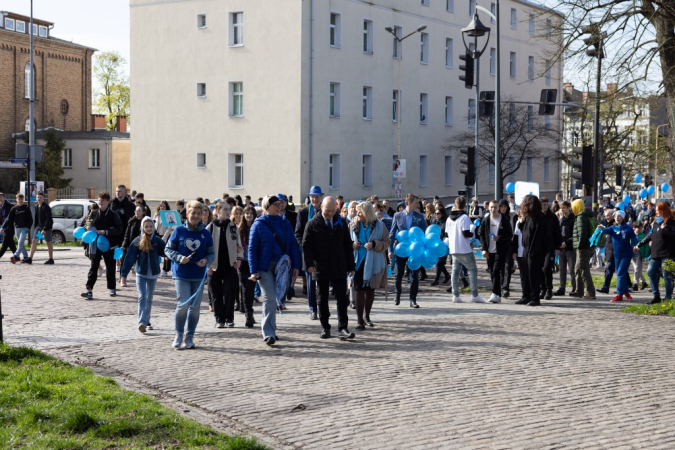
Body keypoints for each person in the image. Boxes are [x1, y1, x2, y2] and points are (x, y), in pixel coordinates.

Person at [248, 195, 301, 346]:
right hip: (264, 267)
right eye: (275, 203)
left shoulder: (284, 223)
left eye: (279, 203)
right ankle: (268, 332)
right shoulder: (258, 224)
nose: (279, 205)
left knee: (276, 297)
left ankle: (272, 328)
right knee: (269, 297)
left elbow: (291, 244)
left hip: (281, 267)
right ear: (267, 206)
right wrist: (253, 271)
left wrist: (296, 266)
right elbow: (252, 249)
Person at [303, 196, 356, 339]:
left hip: (339, 264)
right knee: (322, 298)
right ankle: (325, 327)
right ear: (321, 208)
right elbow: (306, 246)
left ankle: (343, 328)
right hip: (320, 266)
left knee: (342, 298)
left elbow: (347, 245)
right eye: (327, 211)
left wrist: (351, 266)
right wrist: (309, 264)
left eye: (333, 211)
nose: (330, 214)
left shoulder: (341, 222)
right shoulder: (313, 224)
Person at [164, 200, 215, 349]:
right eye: (193, 213)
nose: (196, 215)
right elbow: (168, 249)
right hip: (181, 273)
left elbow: (211, 253)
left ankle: (190, 336)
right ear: (187, 214)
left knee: (195, 307)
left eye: (199, 213)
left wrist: (206, 260)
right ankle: (178, 334)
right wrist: (180, 258)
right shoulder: (179, 231)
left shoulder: (205, 233)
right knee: (183, 304)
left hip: (198, 275)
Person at [120, 217, 166, 333]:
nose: (149, 228)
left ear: (154, 227)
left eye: (151, 226)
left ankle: (147, 320)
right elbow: (130, 258)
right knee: (142, 296)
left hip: (153, 273)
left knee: (149, 298)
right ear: (142, 228)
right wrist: (124, 274)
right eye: (146, 226)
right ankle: (141, 322)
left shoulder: (157, 241)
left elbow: (167, 251)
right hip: (141, 273)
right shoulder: (137, 240)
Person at [349, 201, 389, 329]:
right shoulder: (353, 224)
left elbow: (386, 242)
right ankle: (360, 320)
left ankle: (367, 316)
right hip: (357, 262)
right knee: (358, 289)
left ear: (367, 212)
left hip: (374, 263)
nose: (357, 213)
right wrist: (352, 245)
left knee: (370, 289)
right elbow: (345, 241)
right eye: (356, 211)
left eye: (360, 211)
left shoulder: (380, 225)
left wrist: (374, 244)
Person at [206, 202, 243, 328]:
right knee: (216, 293)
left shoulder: (233, 226)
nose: (228, 212)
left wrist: (239, 259)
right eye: (225, 209)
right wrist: (207, 266)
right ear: (218, 210)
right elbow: (204, 248)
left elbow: (239, 246)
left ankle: (229, 318)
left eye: (229, 209)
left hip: (230, 265)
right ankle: (219, 319)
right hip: (214, 266)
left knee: (230, 292)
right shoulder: (211, 227)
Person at [81, 192, 123, 300]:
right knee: (94, 266)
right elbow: (87, 224)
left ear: (108, 202)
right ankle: (89, 289)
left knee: (110, 266)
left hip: (109, 244)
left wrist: (106, 232)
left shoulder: (113, 214)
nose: (100, 202)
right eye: (99, 200)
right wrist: (91, 228)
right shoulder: (94, 213)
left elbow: (119, 229)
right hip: (95, 243)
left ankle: (112, 288)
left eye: (103, 200)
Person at [389, 193, 427, 307]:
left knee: (414, 275)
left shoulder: (419, 216)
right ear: (409, 203)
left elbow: (424, 234)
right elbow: (391, 234)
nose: (418, 204)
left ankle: (413, 299)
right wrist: (390, 250)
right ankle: (397, 295)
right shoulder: (397, 215)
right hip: (401, 249)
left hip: (414, 251)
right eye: (416, 202)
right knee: (398, 274)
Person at [445, 196, 486, 303]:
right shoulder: (464, 217)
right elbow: (466, 233)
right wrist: (472, 230)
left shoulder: (449, 218)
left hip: (453, 248)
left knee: (455, 271)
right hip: (464, 248)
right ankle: (474, 295)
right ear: (464, 206)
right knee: (472, 270)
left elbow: (446, 233)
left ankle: (455, 295)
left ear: (455, 205)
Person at [515, 195, 551, 306]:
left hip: (534, 251)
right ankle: (526, 296)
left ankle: (535, 297)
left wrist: (533, 251)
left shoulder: (538, 218)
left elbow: (538, 237)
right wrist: (521, 224)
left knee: (533, 275)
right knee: (525, 274)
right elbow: (524, 232)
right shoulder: (528, 217)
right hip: (526, 249)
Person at [637, 201, 675, 304]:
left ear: (664, 211)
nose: (657, 213)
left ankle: (668, 299)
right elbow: (650, 236)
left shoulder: (671, 222)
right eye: (656, 211)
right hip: (656, 253)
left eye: (659, 211)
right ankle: (656, 296)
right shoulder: (656, 223)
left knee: (667, 275)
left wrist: (666, 228)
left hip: (668, 254)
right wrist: (639, 244)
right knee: (650, 272)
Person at [295, 186, 324, 320]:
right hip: (308, 253)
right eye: (312, 196)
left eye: (317, 196)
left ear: (321, 198)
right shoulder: (303, 213)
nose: (314, 199)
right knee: (311, 282)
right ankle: (313, 309)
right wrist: (303, 245)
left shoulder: (325, 212)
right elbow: (298, 233)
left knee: (323, 281)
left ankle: (323, 306)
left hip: (322, 252)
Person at [478, 199, 513, 304]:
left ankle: (494, 293)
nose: (493, 209)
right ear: (488, 208)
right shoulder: (486, 220)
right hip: (489, 251)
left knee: (496, 271)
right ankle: (497, 294)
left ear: (499, 208)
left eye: (495, 207)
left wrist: (499, 238)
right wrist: (484, 249)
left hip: (500, 250)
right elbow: (481, 234)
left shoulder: (504, 219)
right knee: (492, 272)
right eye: (491, 207)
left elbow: (509, 234)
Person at [598, 211, 638, 302]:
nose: (617, 218)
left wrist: (636, 246)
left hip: (626, 255)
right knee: (621, 275)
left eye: (619, 216)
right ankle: (626, 293)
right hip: (617, 255)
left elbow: (634, 239)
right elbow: (605, 231)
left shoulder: (628, 229)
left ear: (623, 218)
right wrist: (600, 228)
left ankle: (619, 294)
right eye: (616, 216)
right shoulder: (613, 228)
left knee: (620, 274)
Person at [569, 199, 597, 299]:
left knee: (584, 270)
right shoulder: (587, 215)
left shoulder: (581, 217)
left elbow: (582, 234)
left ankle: (590, 292)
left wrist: (580, 246)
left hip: (583, 248)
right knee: (578, 269)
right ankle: (579, 291)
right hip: (587, 246)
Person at [238, 205, 258, 327]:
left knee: (251, 288)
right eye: (247, 213)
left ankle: (249, 311)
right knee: (245, 288)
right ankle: (248, 314)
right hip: (243, 262)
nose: (249, 215)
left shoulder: (257, 227)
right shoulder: (240, 229)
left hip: (254, 262)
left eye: (251, 213)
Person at [539, 197, 562, 300]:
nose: (544, 206)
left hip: (550, 247)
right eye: (543, 205)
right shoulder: (538, 216)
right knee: (540, 269)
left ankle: (549, 289)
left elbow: (557, 232)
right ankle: (542, 288)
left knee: (547, 267)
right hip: (539, 247)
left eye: (546, 204)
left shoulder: (552, 217)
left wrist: (557, 247)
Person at [555, 200, 576, 296]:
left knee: (572, 269)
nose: (562, 210)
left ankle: (574, 288)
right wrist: (558, 244)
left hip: (570, 248)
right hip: (562, 247)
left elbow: (575, 234)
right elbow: (558, 233)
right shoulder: (561, 219)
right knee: (562, 269)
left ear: (569, 208)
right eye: (561, 208)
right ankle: (562, 288)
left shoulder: (573, 219)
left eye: (564, 208)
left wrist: (567, 243)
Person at [26, 191, 54, 264]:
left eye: (40, 197)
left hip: (47, 227)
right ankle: (30, 258)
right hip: (39, 227)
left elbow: (49, 219)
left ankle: (51, 259)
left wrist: (45, 229)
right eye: (37, 197)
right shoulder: (36, 206)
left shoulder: (46, 207)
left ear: (43, 198)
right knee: (34, 241)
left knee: (48, 242)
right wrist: (36, 226)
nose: (39, 199)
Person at [7, 194, 32, 263]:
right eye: (19, 199)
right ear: (16, 199)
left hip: (24, 228)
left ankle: (15, 256)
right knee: (21, 244)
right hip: (17, 228)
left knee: (20, 242)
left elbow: (30, 219)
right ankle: (26, 256)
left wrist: (28, 227)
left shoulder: (26, 208)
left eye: (21, 199)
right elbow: (9, 219)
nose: (20, 201)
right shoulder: (14, 208)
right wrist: (4, 227)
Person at [596, 209, 617, 294]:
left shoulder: (615, 224)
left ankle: (606, 287)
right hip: (608, 249)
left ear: (613, 215)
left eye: (608, 215)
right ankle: (627, 286)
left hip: (614, 249)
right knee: (610, 269)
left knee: (609, 268)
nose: (606, 217)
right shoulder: (607, 223)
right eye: (605, 216)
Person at [431, 205, 451, 286]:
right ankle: (447, 275)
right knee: (439, 263)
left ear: (442, 214)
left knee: (440, 263)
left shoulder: (446, 223)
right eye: (435, 213)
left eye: (438, 213)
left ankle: (436, 280)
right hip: (435, 245)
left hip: (443, 245)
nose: (436, 215)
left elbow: (446, 234)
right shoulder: (436, 222)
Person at [154, 200, 172, 277]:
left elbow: (169, 228)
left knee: (166, 253)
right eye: (161, 206)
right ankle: (156, 269)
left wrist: (164, 238)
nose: (162, 207)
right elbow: (153, 223)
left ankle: (165, 269)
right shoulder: (156, 214)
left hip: (165, 235)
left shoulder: (168, 215)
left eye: (164, 206)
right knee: (156, 252)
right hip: (157, 234)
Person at [631, 221, 649, 291]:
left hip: (639, 254)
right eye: (639, 228)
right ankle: (644, 282)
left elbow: (646, 246)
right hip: (632, 253)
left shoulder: (643, 235)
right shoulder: (631, 234)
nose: (640, 229)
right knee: (637, 269)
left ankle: (635, 284)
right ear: (634, 228)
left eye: (641, 228)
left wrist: (645, 254)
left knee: (637, 269)